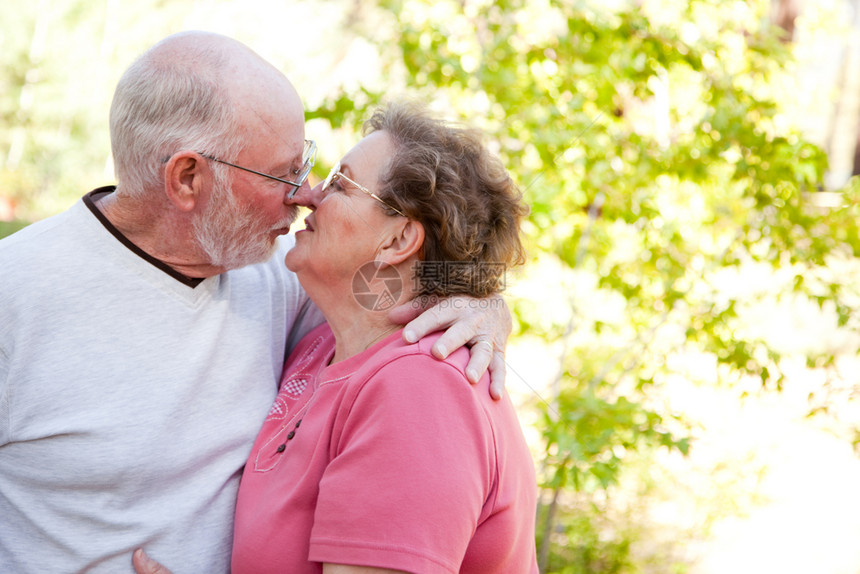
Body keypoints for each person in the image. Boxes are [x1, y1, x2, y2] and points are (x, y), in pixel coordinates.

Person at [0, 32, 511, 574]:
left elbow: (405, 291)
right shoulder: (18, 292)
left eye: (308, 163)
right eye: (283, 172)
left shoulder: (281, 273)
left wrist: (485, 306)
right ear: (188, 179)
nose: (304, 192)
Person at [135, 102, 538, 573]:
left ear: (396, 241)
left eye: (340, 184)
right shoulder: (323, 345)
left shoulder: (420, 390)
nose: (306, 195)